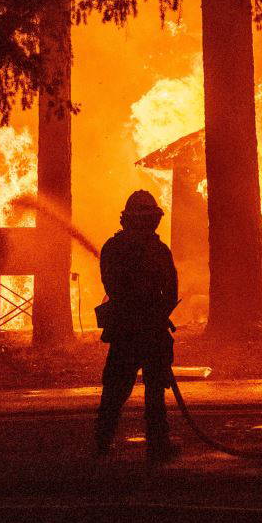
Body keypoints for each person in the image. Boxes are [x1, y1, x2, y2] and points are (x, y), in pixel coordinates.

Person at [94, 190, 179, 462]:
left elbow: (112, 287)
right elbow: (170, 290)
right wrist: (155, 314)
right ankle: (158, 445)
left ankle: (101, 445)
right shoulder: (158, 251)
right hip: (148, 332)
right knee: (154, 393)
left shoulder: (113, 248)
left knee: (115, 393)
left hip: (126, 334)